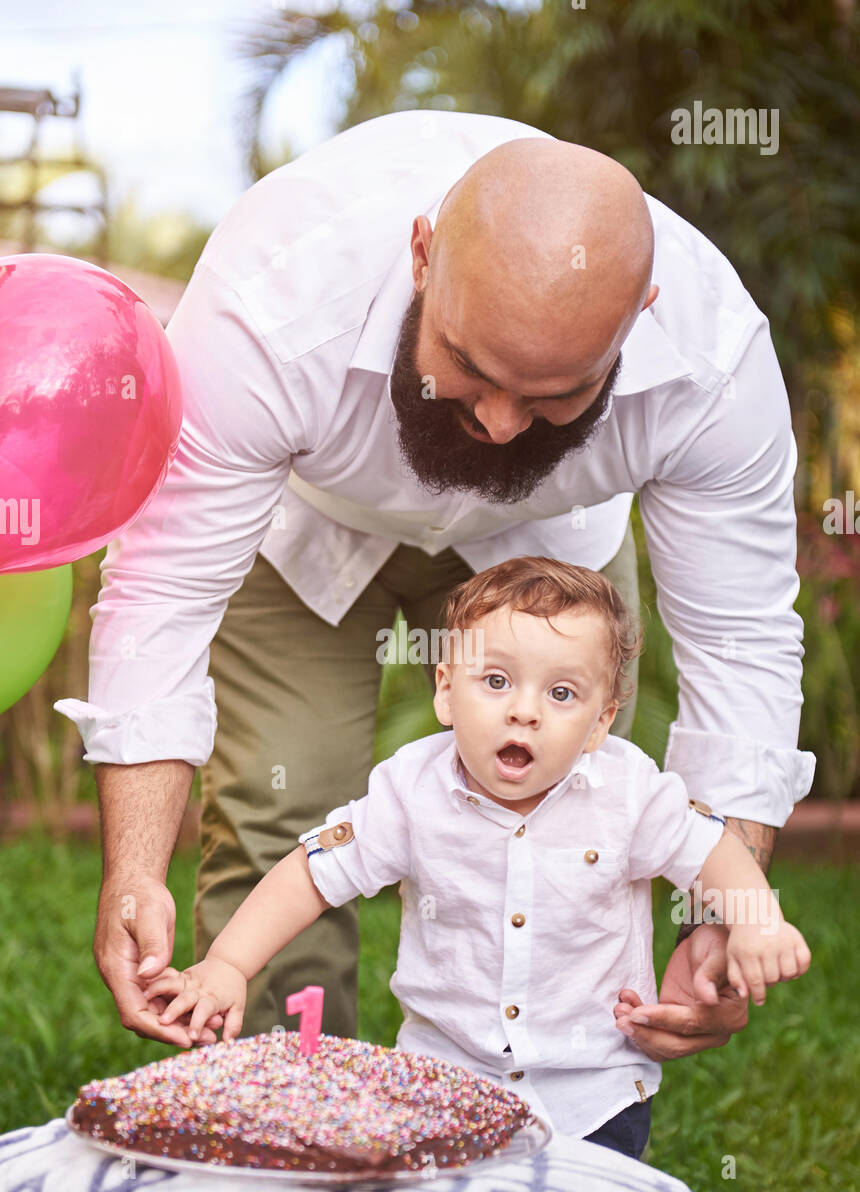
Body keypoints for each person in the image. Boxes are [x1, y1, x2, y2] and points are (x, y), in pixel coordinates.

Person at [54, 111, 815, 1060]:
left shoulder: (714, 361)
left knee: (570, 814)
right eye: (468, 367)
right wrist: (133, 870)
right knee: (279, 820)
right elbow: (163, 594)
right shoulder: (277, 292)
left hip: (546, 554)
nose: (499, 424)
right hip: (306, 528)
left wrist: (720, 915)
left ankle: (550, 1109)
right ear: (422, 256)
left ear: (642, 314)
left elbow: (740, 637)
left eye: (554, 396)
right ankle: (290, 1127)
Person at [141, 559, 810, 1160]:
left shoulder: (628, 792)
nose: (524, 712)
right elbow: (310, 875)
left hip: (596, 1095)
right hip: (441, 1084)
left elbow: (710, 850)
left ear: (601, 723)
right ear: (445, 692)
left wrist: (756, 919)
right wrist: (227, 965)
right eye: (495, 681)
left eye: (562, 695)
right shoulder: (410, 790)